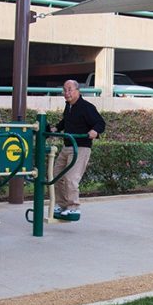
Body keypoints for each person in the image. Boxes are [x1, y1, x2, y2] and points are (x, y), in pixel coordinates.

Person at [50, 80, 105, 221]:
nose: (66, 93)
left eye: (70, 90)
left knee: (71, 178)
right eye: (64, 90)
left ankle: (73, 207)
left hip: (81, 147)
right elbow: (65, 121)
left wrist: (95, 131)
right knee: (57, 175)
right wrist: (56, 128)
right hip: (68, 145)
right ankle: (62, 205)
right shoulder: (68, 106)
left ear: (77, 91)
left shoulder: (86, 107)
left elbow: (100, 123)